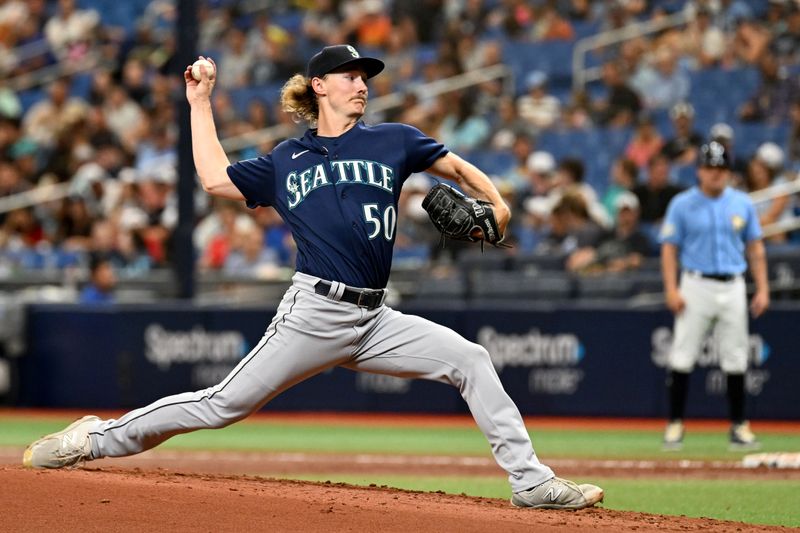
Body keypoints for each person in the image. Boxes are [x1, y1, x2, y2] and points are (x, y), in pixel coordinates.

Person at [23, 44, 603, 511]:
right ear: (319, 86)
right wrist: (201, 105)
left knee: (471, 359)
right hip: (314, 311)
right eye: (349, 75)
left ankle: (530, 482)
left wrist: (497, 204)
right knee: (223, 404)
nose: (361, 83)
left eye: (365, 75)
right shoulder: (286, 158)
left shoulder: (393, 140)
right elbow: (216, 180)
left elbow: (454, 166)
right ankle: (95, 439)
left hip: (376, 317)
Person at [659, 141, 769, 451]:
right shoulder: (682, 204)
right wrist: (671, 288)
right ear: (699, 171)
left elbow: (755, 247)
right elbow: (669, 248)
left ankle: (739, 426)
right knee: (683, 355)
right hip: (696, 284)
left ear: (728, 171)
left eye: (721, 168)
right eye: (710, 168)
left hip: (733, 283)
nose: (715, 174)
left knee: (736, 357)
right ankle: (675, 425)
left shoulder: (742, 203)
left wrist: (762, 287)